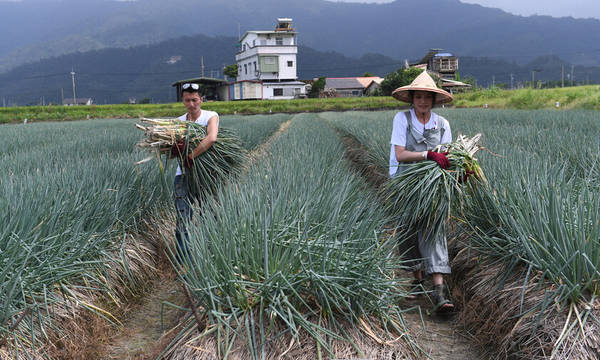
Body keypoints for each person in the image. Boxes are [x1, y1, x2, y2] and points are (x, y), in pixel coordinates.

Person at [388, 71, 455, 313]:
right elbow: (400, 154)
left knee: (433, 231)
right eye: (418, 97)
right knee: (408, 233)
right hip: (406, 184)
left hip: (433, 187)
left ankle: (439, 291)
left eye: (427, 97)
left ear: (434, 100)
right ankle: (416, 283)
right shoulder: (402, 119)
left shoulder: (443, 124)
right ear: (412, 99)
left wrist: (460, 169)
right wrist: (428, 155)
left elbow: (448, 158)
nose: (423, 101)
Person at [171, 83, 219, 262]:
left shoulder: (211, 116)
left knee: (210, 215)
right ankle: (185, 262)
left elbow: (212, 137)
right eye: (187, 100)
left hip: (207, 175)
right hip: (182, 176)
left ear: (201, 100)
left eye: (194, 100)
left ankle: (209, 257)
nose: (191, 104)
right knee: (183, 220)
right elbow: (171, 149)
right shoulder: (179, 122)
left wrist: (191, 156)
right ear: (182, 101)